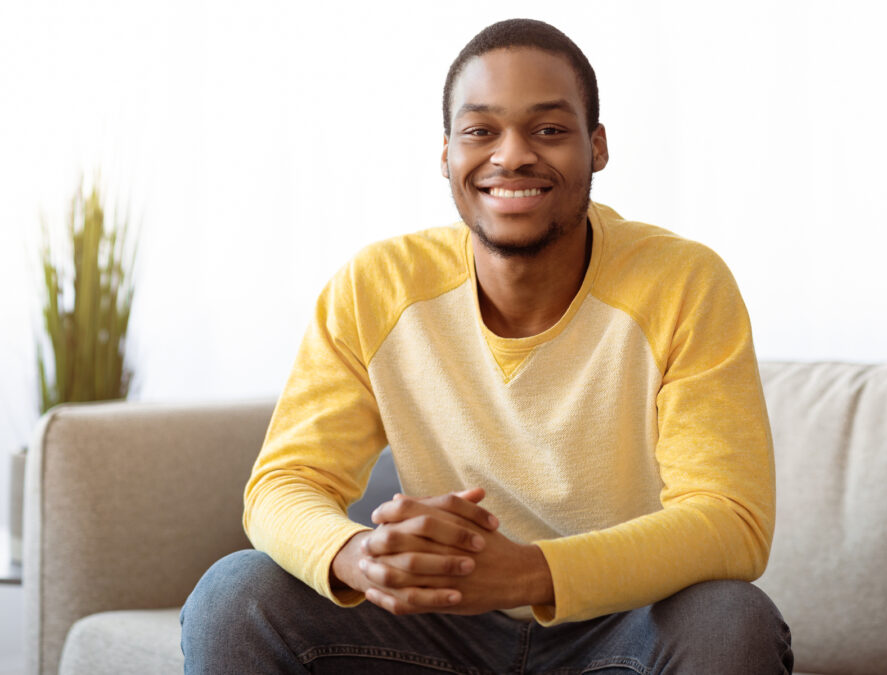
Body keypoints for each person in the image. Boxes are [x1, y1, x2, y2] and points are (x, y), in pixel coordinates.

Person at [181, 17, 793, 674]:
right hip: (437, 626)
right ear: (446, 153)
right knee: (234, 593)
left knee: (732, 616)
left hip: (620, 629)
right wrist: (357, 554)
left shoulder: (683, 283)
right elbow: (283, 482)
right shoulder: (377, 287)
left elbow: (732, 520)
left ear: (598, 146)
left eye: (549, 130)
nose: (512, 155)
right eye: (480, 131)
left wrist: (531, 573)